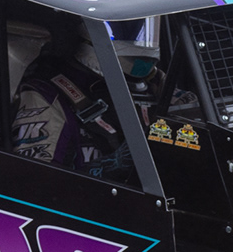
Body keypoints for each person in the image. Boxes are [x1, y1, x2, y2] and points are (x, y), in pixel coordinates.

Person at [12, 18, 174, 180]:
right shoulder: (48, 95)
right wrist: (110, 165)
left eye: (144, 30)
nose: (141, 40)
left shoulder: (160, 85)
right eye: (125, 29)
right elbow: (36, 183)